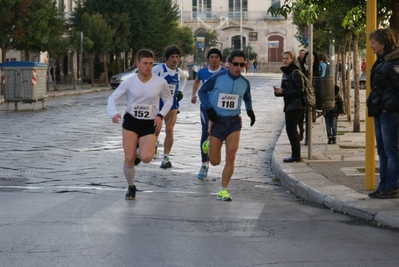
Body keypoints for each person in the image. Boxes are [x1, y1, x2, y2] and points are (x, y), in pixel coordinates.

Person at [106, 49, 173, 200]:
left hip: (149, 122)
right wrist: (113, 113)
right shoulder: (129, 81)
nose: (148, 67)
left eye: (150, 63)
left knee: (146, 158)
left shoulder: (160, 82)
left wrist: (160, 116)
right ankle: (131, 186)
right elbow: (112, 98)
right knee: (129, 157)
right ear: (137, 64)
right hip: (131, 121)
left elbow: (169, 100)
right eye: (145, 63)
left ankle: (141, 149)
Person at [198, 49, 256, 201]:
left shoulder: (244, 82)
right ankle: (208, 145)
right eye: (235, 64)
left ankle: (223, 189)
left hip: (233, 123)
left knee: (231, 155)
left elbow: (247, 98)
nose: (238, 67)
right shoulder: (218, 77)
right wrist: (209, 108)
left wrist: (250, 111)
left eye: (241, 64)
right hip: (217, 121)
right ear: (229, 63)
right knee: (215, 161)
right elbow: (202, 92)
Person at [366, 28, 399, 199]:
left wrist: (388, 106)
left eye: (373, 43)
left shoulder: (394, 62)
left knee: (391, 152)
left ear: (383, 43)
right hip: (380, 111)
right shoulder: (382, 60)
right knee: (383, 151)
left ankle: (391, 186)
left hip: (389, 113)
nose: (371, 46)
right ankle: (384, 185)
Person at [191, 48, 225, 180]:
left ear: (220, 59)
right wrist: (194, 95)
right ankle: (204, 164)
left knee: (220, 133)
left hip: (221, 109)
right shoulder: (202, 72)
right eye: (211, 57)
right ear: (208, 59)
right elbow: (196, 81)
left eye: (216, 57)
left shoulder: (225, 73)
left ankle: (216, 155)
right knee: (205, 132)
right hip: (206, 107)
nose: (214, 59)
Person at [152, 45, 187, 169]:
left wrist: (181, 91)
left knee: (170, 129)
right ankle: (153, 144)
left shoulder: (179, 72)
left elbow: (184, 80)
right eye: (172, 57)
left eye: (177, 57)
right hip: (158, 104)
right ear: (167, 58)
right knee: (156, 129)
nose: (175, 59)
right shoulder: (158, 69)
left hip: (172, 104)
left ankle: (166, 157)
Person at [274, 51, 306, 163]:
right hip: (289, 105)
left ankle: (296, 155)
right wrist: (279, 92)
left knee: (291, 130)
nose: (284, 60)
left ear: (292, 59)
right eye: (283, 58)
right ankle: (295, 153)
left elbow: (300, 90)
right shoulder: (286, 72)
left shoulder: (295, 72)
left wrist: (284, 91)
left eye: (287, 58)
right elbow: (287, 90)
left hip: (296, 105)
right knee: (291, 130)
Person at [298, 51, 321, 144]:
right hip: (300, 97)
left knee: (308, 118)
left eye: (311, 58)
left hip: (309, 97)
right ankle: (301, 130)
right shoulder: (300, 69)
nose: (309, 59)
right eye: (307, 57)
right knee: (299, 117)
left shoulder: (316, 71)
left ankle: (308, 137)